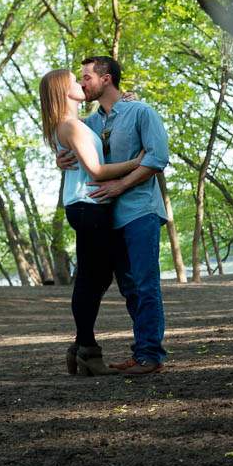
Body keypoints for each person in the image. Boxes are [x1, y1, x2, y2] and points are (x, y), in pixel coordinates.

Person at [57, 55, 172, 374]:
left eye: (86, 77)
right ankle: (136, 353)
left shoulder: (142, 112)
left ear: (106, 79)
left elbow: (157, 157)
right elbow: (75, 152)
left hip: (140, 211)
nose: (81, 82)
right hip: (106, 217)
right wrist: (59, 158)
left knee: (146, 284)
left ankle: (151, 356)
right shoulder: (90, 123)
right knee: (127, 287)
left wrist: (121, 185)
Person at [37, 69, 146, 376]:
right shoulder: (71, 126)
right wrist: (139, 162)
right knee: (89, 279)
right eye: (75, 80)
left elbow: (99, 129)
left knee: (96, 279)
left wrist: (123, 102)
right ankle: (86, 348)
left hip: (89, 206)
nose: (81, 83)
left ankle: (80, 346)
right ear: (63, 90)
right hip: (88, 206)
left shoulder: (76, 125)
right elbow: (97, 171)